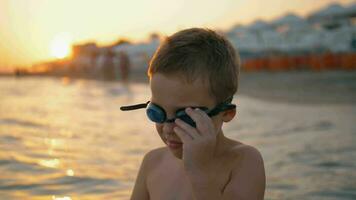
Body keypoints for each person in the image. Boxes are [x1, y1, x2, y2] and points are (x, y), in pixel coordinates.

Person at [120, 28, 265, 200]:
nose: (168, 128)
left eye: (185, 117)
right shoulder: (152, 162)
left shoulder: (244, 161)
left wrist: (200, 173)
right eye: (156, 112)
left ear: (226, 113)